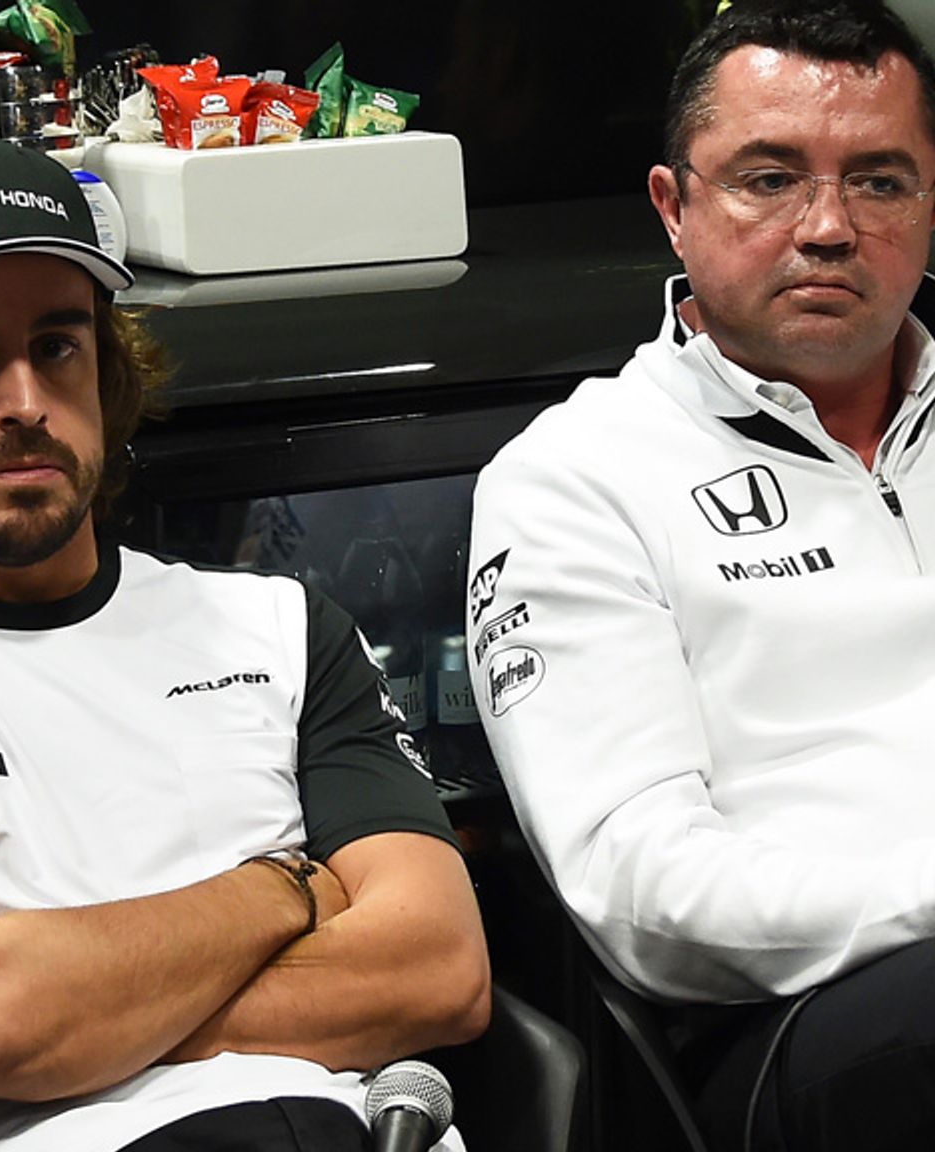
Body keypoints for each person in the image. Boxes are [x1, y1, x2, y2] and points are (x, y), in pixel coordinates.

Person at [0, 134, 490, 1152]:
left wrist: (55, 991)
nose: (24, 403)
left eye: (58, 346)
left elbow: (439, 971)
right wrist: (289, 886)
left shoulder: (283, 630)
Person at [468, 2, 935, 1148]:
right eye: (767, 180)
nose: (825, 229)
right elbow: (640, 890)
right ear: (671, 209)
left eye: (878, 182)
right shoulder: (574, 479)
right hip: (800, 1020)